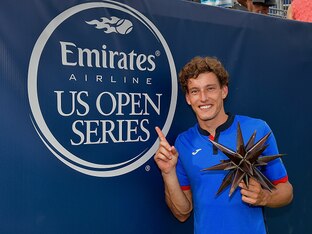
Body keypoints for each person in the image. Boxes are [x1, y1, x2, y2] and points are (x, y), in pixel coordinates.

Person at [154, 56, 293, 234]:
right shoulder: (183, 142)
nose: (203, 98)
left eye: (210, 89)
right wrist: (168, 172)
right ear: (188, 98)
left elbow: (286, 191)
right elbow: (182, 213)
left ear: (224, 91)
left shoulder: (257, 129)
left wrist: (265, 197)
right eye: (195, 91)